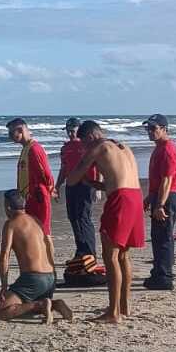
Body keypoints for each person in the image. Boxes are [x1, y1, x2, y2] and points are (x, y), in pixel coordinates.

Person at [67, 120, 145, 324]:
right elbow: (120, 178)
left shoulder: (99, 147)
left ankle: (113, 312)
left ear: (91, 137)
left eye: (84, 143)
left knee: (110, 256)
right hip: (135, 196)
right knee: (124, 255)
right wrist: (99, 185)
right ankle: (124, 305)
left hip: (120, 200)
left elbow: (72, 179)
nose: (84, 148)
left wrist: (80, 168)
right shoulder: (123, 147)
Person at [0, 190, 72, 324]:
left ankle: (40, 305)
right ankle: (55, 304)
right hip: (51, 278)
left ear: (8, 207)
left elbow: (4, 256)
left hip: (33, 279)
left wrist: (4, 287)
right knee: (26, 303)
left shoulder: (11, 224)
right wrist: (53, 273)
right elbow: (50, 245)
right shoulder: (36, 220)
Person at [6, 118, 57, 270]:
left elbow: (46, 173)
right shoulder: (25, 149)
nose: (10, 136)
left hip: (38, 196)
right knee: (33, 232)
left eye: (12, 133)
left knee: (44, 233)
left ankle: (50, 267)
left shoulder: (35, 149)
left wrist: (50, 189)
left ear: (21, 131)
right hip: (28, 197)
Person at [142, 114, 176, 291]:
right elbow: (158, 179)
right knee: (159, 236)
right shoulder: (159, 148)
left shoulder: (167, 149)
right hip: (160, 195)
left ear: (164, 129)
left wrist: (159, 205)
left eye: (154, 128)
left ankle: (164, 276)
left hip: (167, 196)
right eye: (148, 129)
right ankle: (160, 271)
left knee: (163, 236)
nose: (150, 132)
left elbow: (167, 180)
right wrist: (149, 198)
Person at [54, 117, 99, 258]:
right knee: (73, 217)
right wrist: (57, 186)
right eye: (68, 131)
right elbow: (64, 168)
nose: (70, 134)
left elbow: (98, 164)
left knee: (83, 217)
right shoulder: (65, 148)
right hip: (71, 185)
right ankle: (81, 249)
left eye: (72, 131)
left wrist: (98, 186)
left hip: (87, 184)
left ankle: (90, 251)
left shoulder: (86, 145)